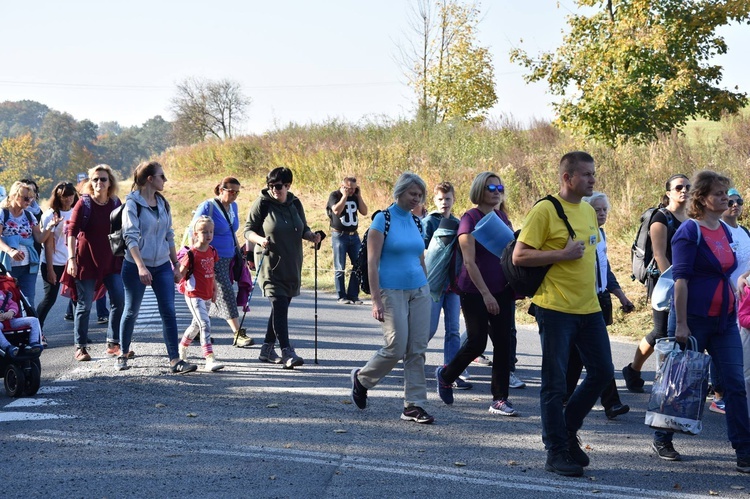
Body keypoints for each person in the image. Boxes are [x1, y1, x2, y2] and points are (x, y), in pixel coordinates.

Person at [512, 151, 613, 477]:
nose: (592, 179)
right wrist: (562, 253)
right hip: (555, 309)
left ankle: (567, 432)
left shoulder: (587, 211)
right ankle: (555, 451)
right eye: (586, 174)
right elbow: (519, 256)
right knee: (554, 384)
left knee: (602, 373)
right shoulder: (545, 210)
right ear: (568, 178)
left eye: (593, 174)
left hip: (590, 308)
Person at [654, 170, 750, 474]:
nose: (726, 198)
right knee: (679, 383)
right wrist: (680, 324)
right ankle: (662, 437)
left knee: (735, 385)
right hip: (693, 320)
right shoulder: (689, 231)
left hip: (724, 321)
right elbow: (679, 281)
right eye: (720, 194)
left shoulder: (724, 229)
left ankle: (744, 452)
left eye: (726, 194)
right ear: (703, 198)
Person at [350, 172, 434, 424]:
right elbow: (372, 263)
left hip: (419, 290)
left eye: (419, 195)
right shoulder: (382, 219)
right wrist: (375, 299)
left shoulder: (418, 221)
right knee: (396, 346)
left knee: (417, 350)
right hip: (390, 290)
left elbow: (420, 258)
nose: (416, 199)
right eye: (412, 194)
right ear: (400, 192)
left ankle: (414, 405)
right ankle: (362, 379)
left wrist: (427, 285)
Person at [435, 172, 517, 415]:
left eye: (499, 186)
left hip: (502, 289)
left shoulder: (502, 216)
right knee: (477, 342)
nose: (496, 190)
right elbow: (469, 263)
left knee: (503, 344)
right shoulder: (469, 219)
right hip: (474, 291)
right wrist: (486, 295)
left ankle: (499, 399)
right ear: (479, 190)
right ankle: (446, 374)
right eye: (491, 186)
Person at [118, 161, 196, 373]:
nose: (165, 180)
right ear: (150, 179)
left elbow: (169, 235)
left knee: (169, 312)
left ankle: (175, 360)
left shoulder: (163, 203)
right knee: (132, 311)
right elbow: (130, 237)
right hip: (135, 265)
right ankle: (122, 353)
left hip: (161, 265)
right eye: (162, 176)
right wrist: (141, 267)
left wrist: (176, 264)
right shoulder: (132, 204)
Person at [565, 192, 634, 419]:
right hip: (578, 302)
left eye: (605, 209)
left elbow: (605, 269)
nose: (602, 213)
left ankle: (564, 395)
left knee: (579, 355)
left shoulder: (601, 234)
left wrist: (621, 296)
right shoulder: (578, 233)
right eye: (597, 210)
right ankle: (611, 403)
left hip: (598, 300)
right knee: (598, 356)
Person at [244, 167, 321, 368]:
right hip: (270, 263)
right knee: (279, 304)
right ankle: (287, 351)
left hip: (291, 262)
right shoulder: (262, 203)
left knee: (281, 307)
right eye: (271, 186)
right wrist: (259, 240)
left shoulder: (295, 203)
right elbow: (248, 230)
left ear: (288, 185)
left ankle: (267, 349)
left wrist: (312, 236)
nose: (274, 190)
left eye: (278, 186)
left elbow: (303, 228)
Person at [622, 174, 689, 392]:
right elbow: (660, 255)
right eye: (679, 187)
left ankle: (678, 377)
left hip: (687, 282)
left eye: (688, 186)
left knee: (682, 330)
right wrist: (674, 283)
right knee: (661, 332)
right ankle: (634, 370)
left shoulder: (693, 217)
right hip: (666, 281)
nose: (684, 190)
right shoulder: (661, 218)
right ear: (668, 192)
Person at [66, 165, 125, 361]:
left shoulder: (116, 203)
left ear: (110, 183)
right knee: (84, 306)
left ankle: (113, 343)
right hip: (86, 261)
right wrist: (71, 259)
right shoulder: (84, 204)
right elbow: (71, 232)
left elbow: (124, 230)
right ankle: (80, 347)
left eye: (103, 179)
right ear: (90, 183)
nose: (99, 183)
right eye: (95, 179)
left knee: (119, 299)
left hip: (111, 260)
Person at [190, 177, 254, 348]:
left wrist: (240, 252)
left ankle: (196, 331)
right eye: (231, 191)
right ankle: (237, 333)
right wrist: (194, 255)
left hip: (229, 257)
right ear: (220, 189)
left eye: (237, 192)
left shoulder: (233, 206)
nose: (234, 195)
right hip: (210, 257)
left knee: (209, 294)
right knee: (225, 292)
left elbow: (232, 230)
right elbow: (193, 230)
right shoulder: (208, 206)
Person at [423, 182, 470, 389]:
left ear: (454, 200)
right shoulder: (429, 222)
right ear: (434, 201)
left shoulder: (459, 222)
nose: (444, 203)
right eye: (440, 199)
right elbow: (423, 251)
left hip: (452, 285)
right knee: (429, 328)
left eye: (448, 199)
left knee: (453, 329)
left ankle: (451, 371)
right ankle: (413, 363)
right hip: (434, 286)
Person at [0, 181, 60, 309]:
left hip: (28, 266)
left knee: (29, 302)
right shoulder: (3, 213)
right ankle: (12, 328)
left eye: (32, 198)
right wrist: (10, 251)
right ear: (15, 196)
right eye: (26, 198)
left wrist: (49, 226)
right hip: (8, 267)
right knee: (9, 301)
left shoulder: (29, 215)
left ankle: (31, 328)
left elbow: (39, 238)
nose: (29, 201)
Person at [177, 216, 223, 372]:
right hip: (193, 294)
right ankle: (209, 358)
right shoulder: (191, 254)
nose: (208, 235)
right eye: (204, 232)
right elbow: (180, 274)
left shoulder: (212, 251)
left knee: (196, 325)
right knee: (205, 324)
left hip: (207, 294)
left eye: (210, 231)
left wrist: (215, 289)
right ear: (196, 234)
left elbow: (212, 272)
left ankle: (182, 348)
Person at [37, 182, 78, 335]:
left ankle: (81, 335)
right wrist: (50, 270)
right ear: (58, 197)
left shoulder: (76, 211)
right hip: (53, 262)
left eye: (71, 195)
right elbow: (47, 245)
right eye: (64, 196)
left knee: (77, 299)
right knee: (49, 299)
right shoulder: (51, 214)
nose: (68, 199)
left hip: (72, 261)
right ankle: (36, 331)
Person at [724, 189, 750, 417]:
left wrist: (744, 279)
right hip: (725, 298)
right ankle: (721, 394)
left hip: (745, 301)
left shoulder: (745, 232)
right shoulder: (719, 231)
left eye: (738, 201)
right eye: (730, 201)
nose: (735, 205)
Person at [327, 176, 368, 305]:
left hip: (354, 236)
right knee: (340, 267)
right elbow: (336, 210)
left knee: (359, 265)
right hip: (339, 235)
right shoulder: (335, 195)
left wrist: (359, 195)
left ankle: (353, 295)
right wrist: (344, 196)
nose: (351, 191)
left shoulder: (355, 196)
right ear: (343, 186)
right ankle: (341, 296)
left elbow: (364, 211)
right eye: (349, 188)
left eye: (354, 189)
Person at [0, 289, 43, 357]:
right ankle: (7, 347)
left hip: (11, 320)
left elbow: (12, 304)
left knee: (34, 320)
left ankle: (33, 343)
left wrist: (11, 312)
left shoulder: (3, 294)